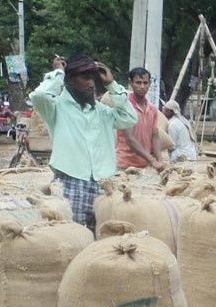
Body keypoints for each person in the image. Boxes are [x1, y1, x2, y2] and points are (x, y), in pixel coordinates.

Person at [29, 55, 137, 231]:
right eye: (85, 78)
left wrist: (111, 84)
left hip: (104, 186)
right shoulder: (56, 107)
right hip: (70, 184)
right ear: (70, 80)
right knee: (71, 238)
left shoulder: (102, 112)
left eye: (93, 79)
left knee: (104, 241)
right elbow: (39, 95)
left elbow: (130, 117)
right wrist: (58, 73)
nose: (91, 84)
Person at [115, 67, 164, 171]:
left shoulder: (152, 109)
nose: (142, 86)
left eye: (145, 83)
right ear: (131, 83)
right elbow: (130, 139)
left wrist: (160, 161)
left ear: (149, 84)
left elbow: (155, 136)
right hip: (124, 164)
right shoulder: (125, 106)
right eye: (138, 82)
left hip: (144, 165)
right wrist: (152, 160)